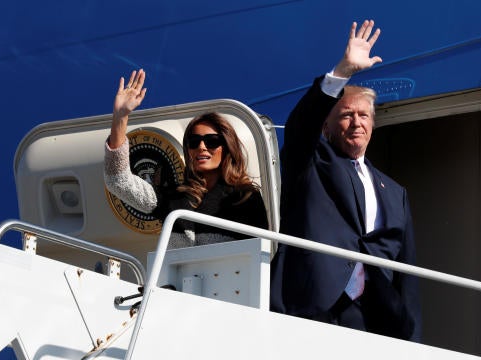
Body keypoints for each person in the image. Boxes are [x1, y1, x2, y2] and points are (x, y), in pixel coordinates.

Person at [270, 20, 421, 341]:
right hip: (312, 307)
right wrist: (342, 72)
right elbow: (300, 129)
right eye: (346, 114)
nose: (356, 122)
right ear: (327, 126)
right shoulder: (311, 162)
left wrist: (411, 338)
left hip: (375, 314)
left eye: (363, 115)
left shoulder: (395, 193)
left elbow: (407, 272)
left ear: (373, 124)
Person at [104, 69, 269, 248]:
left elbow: (262, 257)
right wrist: (120, 117)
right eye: (194, 142)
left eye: (212, 141)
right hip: (174, 276)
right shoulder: (175, 197)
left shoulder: (245, 197)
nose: (201, 147)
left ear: (227, 148)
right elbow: (118, 181)